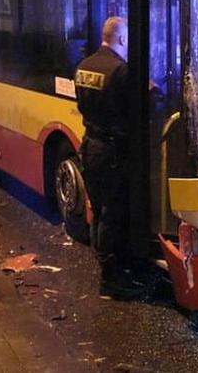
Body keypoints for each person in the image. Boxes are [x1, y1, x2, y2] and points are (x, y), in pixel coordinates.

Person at [74, 16, 146, 300]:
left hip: (90, 145)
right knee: (112, 214)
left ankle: (105, 266)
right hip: (111, 152)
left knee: (99, 207)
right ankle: (111, 281)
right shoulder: (121, 70)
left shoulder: (84, 66)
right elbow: (132, 114)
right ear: (124, 39)